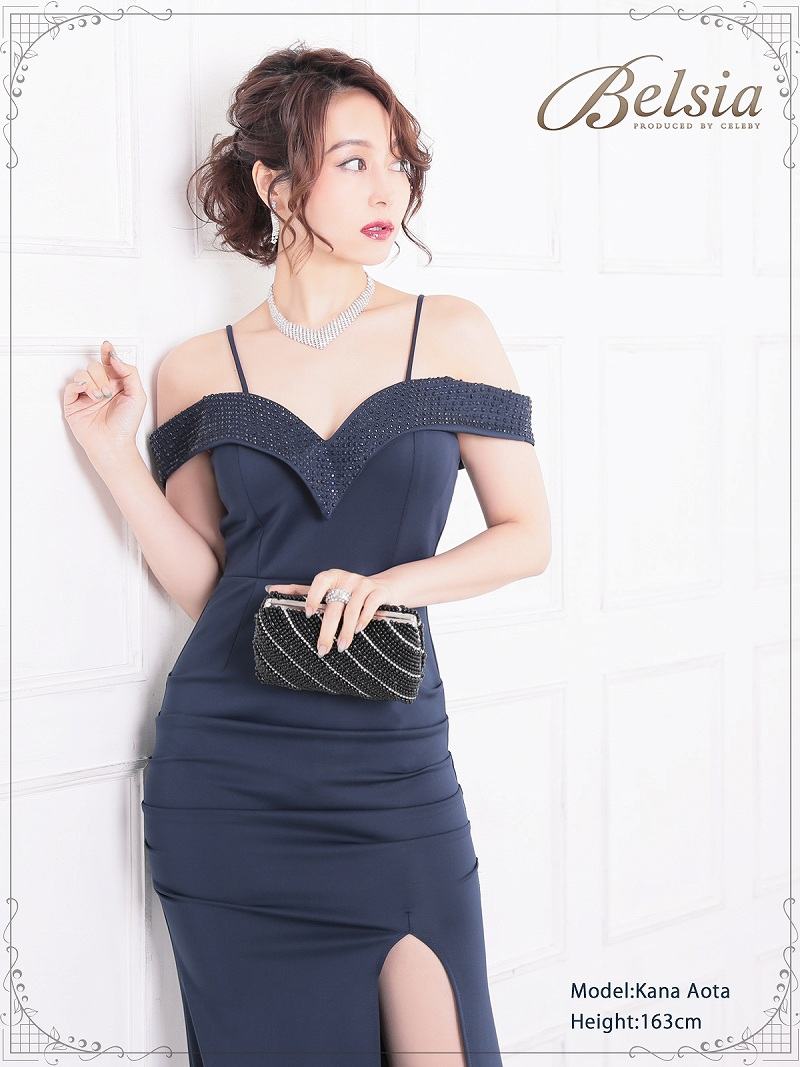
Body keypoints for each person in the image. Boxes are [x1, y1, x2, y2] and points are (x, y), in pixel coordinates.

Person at [62, 43, 551, 1067]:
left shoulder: (450, 331)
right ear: (276, 184)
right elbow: (209, 585)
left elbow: (526, 537)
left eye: (396, 162)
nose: (389, 189)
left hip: (392, 770)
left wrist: (389, 585)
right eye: (354, 162)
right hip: (227, 778)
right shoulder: (198, 368)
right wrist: (112, 456)